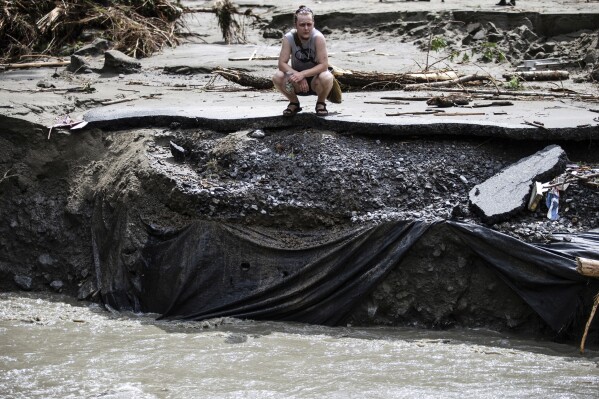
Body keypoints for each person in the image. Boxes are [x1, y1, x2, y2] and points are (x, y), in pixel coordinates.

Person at [272, 5, 334, 117]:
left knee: (327, 76)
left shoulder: (318, 37)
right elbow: (282, 64)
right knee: (277, 76)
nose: (306, 28)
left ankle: (321, 103)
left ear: (313, 23)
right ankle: (294, 103)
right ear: (295, 25)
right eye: (302, 25)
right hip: (295, 80)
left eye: (309, 24)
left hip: (316, 80)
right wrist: (297, 76)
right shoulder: (289, 38)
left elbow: (324, 65)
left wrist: (303, 74)